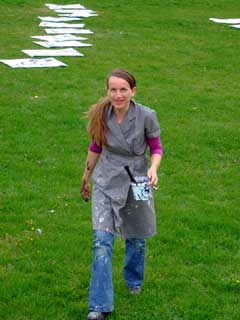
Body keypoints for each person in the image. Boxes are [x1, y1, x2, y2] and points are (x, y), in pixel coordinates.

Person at [80, 68, 163, 320]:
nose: (118, 95)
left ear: (132, 91)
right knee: (101, 243)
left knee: (137, 237)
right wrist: (86, 175)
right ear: (108, 91)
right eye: (113, 89)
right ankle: (100, 306)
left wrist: (153, 168)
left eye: (123, 90)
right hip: (105, 179)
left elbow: (156, 147)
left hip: (137, 178)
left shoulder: (147, 115)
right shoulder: (101, 115)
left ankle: (134, 280)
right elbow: (95, 146)